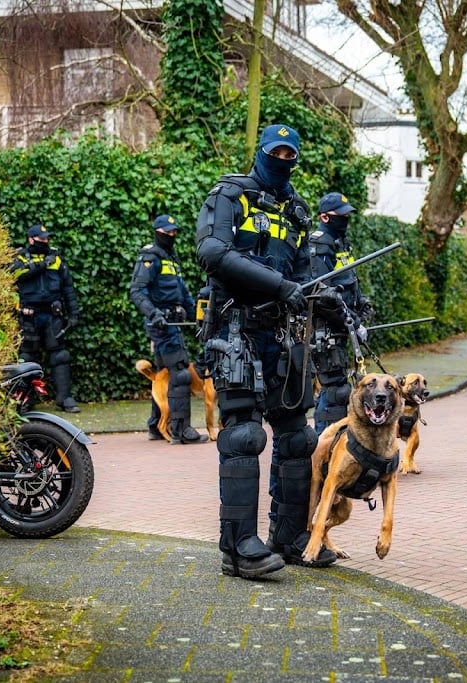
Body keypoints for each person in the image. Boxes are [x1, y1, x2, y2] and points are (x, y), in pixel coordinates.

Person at [196, 122, 336, 579]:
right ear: (260, 152)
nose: (281, 160)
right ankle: (237, 548)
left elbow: (303, 274)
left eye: (289, 154)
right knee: (243, 436)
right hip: (236, 328)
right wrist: (280, 286)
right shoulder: (230, 195)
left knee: (298, 436)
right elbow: (213, 253)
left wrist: (322, 299)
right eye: (274, 152)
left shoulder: (296, 209)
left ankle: (290, 536)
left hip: (281, 335)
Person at [129, 214, 209, 445]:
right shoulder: (150, 258)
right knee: (181, 373)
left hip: (174, 324)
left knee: (164, 374)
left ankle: (156, 425)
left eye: (174, 232)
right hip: (161, 325)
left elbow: (183, 294)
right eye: (167, 232)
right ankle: (181, 430)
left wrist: (199, 316)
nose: (172, 235)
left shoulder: (171, 260)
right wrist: (154, 314)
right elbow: (137, 291)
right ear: (157, 232)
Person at [308, 191, 373, 434]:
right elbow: (323, 294)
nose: (345, 220)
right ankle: (324, 446)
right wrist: (353, 322)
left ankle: (334, 443)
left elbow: (348, 280)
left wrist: (361, 304)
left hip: (343, 326)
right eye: (341, 216)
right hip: (327, 328)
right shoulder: (319, 245)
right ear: (325, 217)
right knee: (334, 389)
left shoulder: (339, 242)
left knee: (338, 386)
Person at [10, 223, 82, 412]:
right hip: (29, 316)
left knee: (60, 356)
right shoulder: (19, 257)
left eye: (47, 238)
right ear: (31, 239)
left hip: (52, 315)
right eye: (41, 239)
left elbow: (68, 288)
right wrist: (42, 265)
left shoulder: (56, 258)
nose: (45, 242)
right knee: (27, 357)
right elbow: (17, 275)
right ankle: (25, 401)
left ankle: (64, 399)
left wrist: (73, 313)